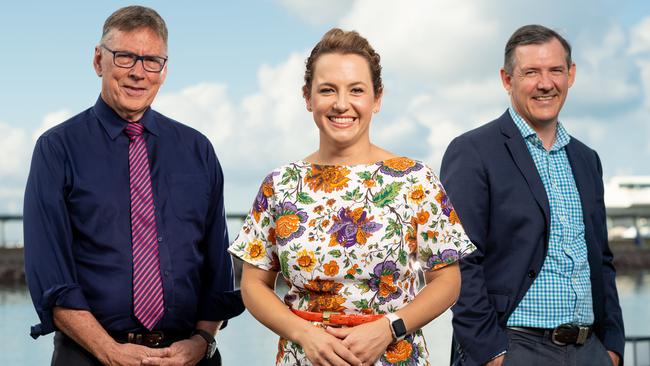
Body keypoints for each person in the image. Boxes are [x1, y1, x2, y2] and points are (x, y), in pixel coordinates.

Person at [228, 28, 475, 366]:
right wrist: (303, 334)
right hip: (303, 358)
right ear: (308, 98)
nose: (342, 104)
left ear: (377, 98)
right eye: (328, 90)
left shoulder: (415, 179)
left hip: (393, 355)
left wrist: (389, 328)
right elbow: (254, 285)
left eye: (356, 90)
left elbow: (447, 281)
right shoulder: (280, 184)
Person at [23, 5, 243, 366]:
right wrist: (108, 351)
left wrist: (203, 340)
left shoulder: (197, 150)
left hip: (187, 357)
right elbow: (51, 278)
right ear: (98, 61)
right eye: (125, 57)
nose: (139, 73)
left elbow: (217, 271)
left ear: (164, 70)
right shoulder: (57, 149)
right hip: (89, 356)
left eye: (151, 61)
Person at [440, 24, 625, 366]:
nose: (545, 83)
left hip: (591, 350)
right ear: (507, 79)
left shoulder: (587, 159)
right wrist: (491, 354)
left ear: (570, 75)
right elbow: (460, 262)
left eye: (556, 70)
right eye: (531, 72)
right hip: (515, 347)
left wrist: (612, 347)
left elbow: (601, 259)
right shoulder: (473, 151)